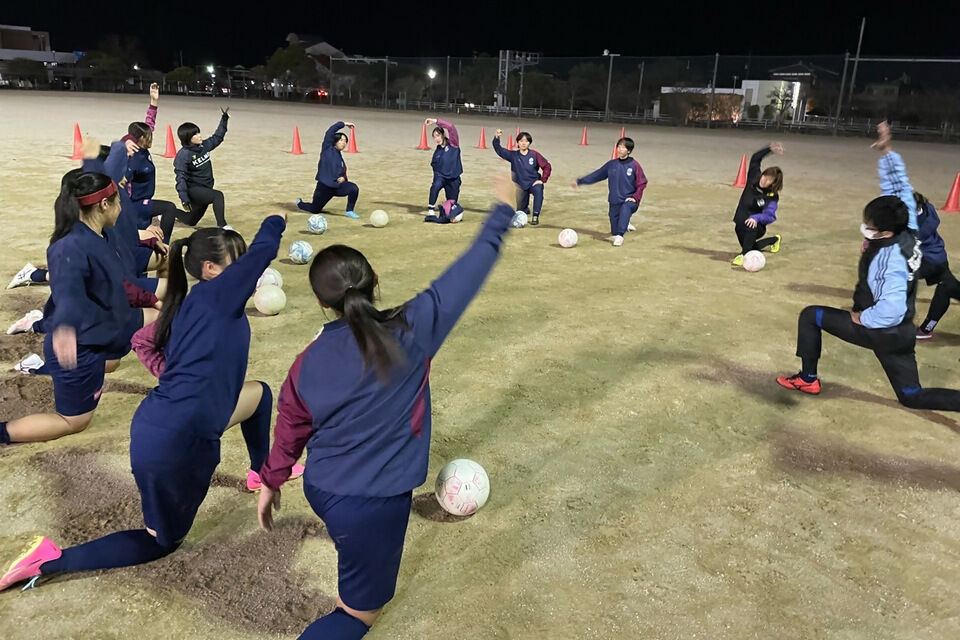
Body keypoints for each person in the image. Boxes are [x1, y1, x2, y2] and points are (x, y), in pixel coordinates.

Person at [255, 178, 517, 639]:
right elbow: (470, 268)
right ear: (375, 280)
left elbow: (289, 429)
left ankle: (353, 548)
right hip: (371, 505)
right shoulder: (412, 329)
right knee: (358, 614)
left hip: (324, 489)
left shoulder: (305, 362)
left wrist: (272, 480)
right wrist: (501, 211)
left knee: (354, 547)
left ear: (320, 303)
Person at [0, 216, 288, 593]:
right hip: (177, 443)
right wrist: (275, 222)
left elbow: (143, 340)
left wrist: (173, 375)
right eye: (238, 262)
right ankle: (51, 559)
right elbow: (264, 251)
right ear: (210, 269)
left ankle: (258, 473)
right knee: (162, 542)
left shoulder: (193, 301)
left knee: (259, 395)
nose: (248, 271)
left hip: (168, 420)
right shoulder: (219, 297)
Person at [0, 169, 159, 444]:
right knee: (74, 421)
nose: (122, 207)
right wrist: (63, 330)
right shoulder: (70, 246)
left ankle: (41, 365)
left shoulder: (101, 235)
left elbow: (115, 282)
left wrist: (150, 299)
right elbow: (68, 295)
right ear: (104, 204)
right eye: (118, 201)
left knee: (159, 320)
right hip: (80, 344)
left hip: (104, 326)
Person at [776, 195, 960, 411]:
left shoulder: (886, 260)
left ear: (886, 232)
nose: (865, 227)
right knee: (911, 395)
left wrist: (863, 317)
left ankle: (808, 379)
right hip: (902, 335)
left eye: (870, 226)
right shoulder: (907, 236)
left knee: (811, 316)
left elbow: (892, 309)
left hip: (880, 331)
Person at [122, 83, 186, 241]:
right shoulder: (133, 158)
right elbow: (122, 190)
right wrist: (138, 223)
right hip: (135, 205)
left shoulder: (142, 148)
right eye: (149, 136)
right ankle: (165, 244)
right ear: (140, 138)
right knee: (169, 208)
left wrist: (154, 101)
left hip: (144, 200)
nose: (152, 138)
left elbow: (149, 122)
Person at [573, 137, 647, 246]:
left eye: (623, 147)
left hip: (629, 200)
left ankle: (621, 235)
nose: (620, 149)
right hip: (614, 201)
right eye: (619, 146)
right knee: (614, 231)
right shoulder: (611, 165)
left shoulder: (634, 165)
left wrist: (635, 197)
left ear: (629, 151)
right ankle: (624, 224)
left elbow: (642, 183)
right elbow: (597, 175)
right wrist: (580, 181)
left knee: (625, 209)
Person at [173, 108, 232, 230]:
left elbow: (217, 137)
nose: (199, 136)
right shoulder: (183, 155)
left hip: (206, 187)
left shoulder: (204, 146)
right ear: (187, 138)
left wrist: (224, 119)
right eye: (195, 134)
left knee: (190, 221)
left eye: (198, 132)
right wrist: (184, 198)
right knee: (217, 195)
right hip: (194, 190)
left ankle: (168, 212)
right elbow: (180, 178)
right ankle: (222, 226)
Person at [912, 192, 960, 339]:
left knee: (900, 276)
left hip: (930, 261)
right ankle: (926, 329)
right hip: (938, 258)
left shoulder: (918, 228)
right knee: (947, 287)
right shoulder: (927, 208)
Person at [731, 143, 784, 266]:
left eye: (769, 180)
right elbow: (755, 158)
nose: (764, 180)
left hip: (756, 227)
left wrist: (756, 218)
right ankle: (774, 240)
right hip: (740, 223)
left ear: (773, 184)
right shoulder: (754, 177)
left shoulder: (771, 197)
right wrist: (769, 149)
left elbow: (770, 216)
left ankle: (743, 255)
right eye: (765, 175)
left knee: (748, 244)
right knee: (752, 247)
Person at [296, 121, 359, 219]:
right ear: (335, 141)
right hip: (324, 187)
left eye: (345, 141)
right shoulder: (327, 148)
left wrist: (344, 178)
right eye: (341, 140)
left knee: (353, 188)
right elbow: (330, 132)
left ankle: (349, 211)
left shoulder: (340, 158)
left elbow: (343, 172)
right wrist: (344, 124)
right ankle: (300, 203)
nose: (344, 143)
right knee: (315, 209)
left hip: (337, 187)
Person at [492, 129, 552, 225]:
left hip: (533, 183)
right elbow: (499, 150)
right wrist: (496, 137)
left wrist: (542, 180)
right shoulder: (513, 155)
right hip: (521, 186)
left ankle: (535, 215)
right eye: (521, 141)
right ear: (518, 143)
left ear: (529, 143)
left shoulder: (534, 155)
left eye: (526, 141)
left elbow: (547, 166)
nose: (524, 143)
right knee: (520, 211)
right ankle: (525, 209)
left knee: (539, 190)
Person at [425, 117, 462, 216]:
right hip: (441, 177)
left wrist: (435, 121)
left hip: (454, 179)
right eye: (434, 137)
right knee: (435, 186)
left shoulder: (453, 143)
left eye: (438, 135)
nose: (436, 139)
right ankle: (431, 209)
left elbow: (451, 127)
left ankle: (448, 206)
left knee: (452, 205)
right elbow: (434, 166)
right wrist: (437, 178)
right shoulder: (437, 152)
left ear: (443, 135)